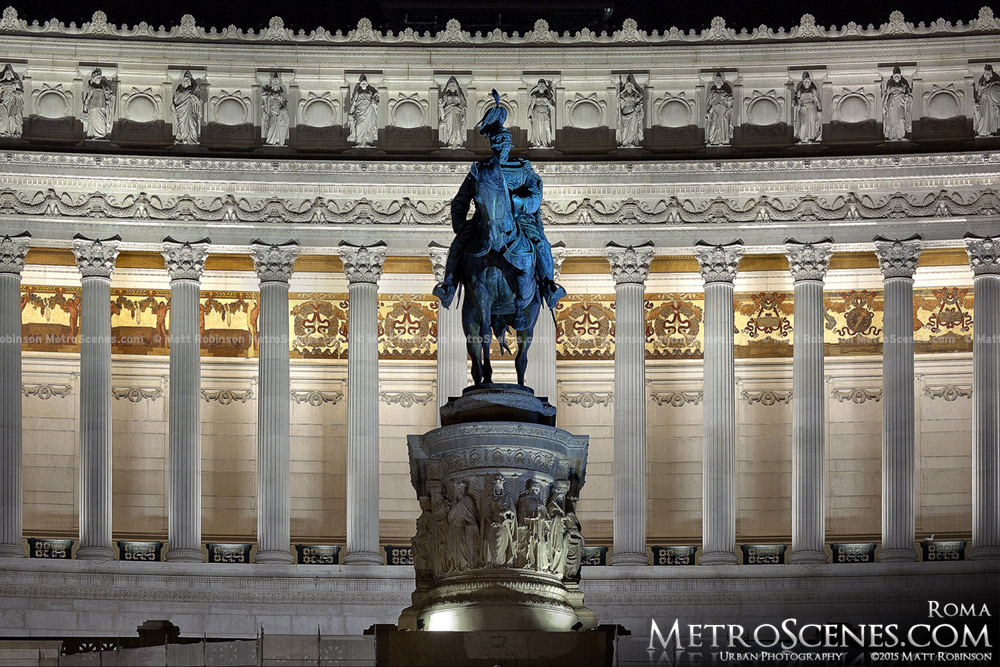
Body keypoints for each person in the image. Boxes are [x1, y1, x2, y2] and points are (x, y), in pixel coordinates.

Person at [432, 91, 565, 324]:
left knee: (541, 244)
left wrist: (518, 203)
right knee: (458, 245)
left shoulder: (522, 168)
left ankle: (548, 284)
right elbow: (460, 201)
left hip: (520, 220)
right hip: (483, 220)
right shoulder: (479, 170)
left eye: (502, 143)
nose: (499, 148)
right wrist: (461, 226)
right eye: (495, 144)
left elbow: (535, 195)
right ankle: (449, 285)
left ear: (508, 144)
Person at [347, 74, 379, 147]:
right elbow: (354, 103)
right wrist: (351, 113)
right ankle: (359, 142)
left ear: (367, 84)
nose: (363, 84)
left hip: (368, 110)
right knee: (358, 126)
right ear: (360, 84)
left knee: (368, 127)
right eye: (362, 83)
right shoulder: (358, 93)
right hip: (359, 111)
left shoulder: (371, 92)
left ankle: (367, 142)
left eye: (365, 83)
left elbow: (375, 100)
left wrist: (375, 98)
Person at [881, 66, 912, 141]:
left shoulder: (904, 85)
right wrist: (885, 105)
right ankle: (893, 136)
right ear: (893, 77)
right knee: (892, 120)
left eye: (898, 76)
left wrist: (906, 97)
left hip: (901, 102)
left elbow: (907, 94)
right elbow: (886, 96)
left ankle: (902, 135)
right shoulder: (890, 85)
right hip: (892, 103)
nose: (897, 78)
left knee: (901, 119)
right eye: (895, 76)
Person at [82, 68, 114, 139]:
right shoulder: (92, 87)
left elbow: (110, 95)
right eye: (97, 77)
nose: (99, 78)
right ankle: (94, 135)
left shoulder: (104, 87)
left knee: (102, 121)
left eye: (100, 77)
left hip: (102, 106)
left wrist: (110, 98)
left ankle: (101, 135)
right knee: (93, 121)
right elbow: (88, 98)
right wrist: (85, 107)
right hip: (93, 107)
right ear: (94, 79)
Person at [172, 70, 202, 145]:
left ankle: (193, 139)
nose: (186, 81)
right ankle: (183, 138)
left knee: (192, 123)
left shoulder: (192, 89)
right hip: (181, 111)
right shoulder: (179, 91)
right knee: (182, 125)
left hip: (190, 110)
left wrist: (194, 97)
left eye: (187, 80)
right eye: (185, 80)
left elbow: (199, 100)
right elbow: (176, 99)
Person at [438, 76, 466, 149]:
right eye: (451, 85)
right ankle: (450, 142)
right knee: (450, 128)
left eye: (454, 85)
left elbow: (463, 104)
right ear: (449, 87)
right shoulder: (446, 95)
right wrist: (441, 104)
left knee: (457, 128)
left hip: (457, 112)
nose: (453, 86)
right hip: (449, 111)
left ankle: (457, 142)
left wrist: (463, 113)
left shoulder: (459, 95)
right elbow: (442, 104)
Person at [793, 71, 822, 143]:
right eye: (805, 81)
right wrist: (797, 105)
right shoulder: (800, 91)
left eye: (808, 81)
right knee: (803, 123)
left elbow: (817, 100)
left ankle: (810, 137)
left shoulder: (813, 91)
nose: (806, 83)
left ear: (810, 82)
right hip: (803, 109)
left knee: (811, 123)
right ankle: (802, 137)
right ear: (803, 82)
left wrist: (819, 110)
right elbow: (796, 101)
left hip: (812, 109)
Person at [706, 72, 733, 146]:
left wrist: (729, 100)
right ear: (715, 82)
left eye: (719, 81)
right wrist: (709, 111)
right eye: (717, 81)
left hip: (722, 110)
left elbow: (728, 103)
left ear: (722, 82)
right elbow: (709, 103)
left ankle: (723, 140)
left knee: (723, 124)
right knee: (713, 125)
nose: (718, 82)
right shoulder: (713, 92)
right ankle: (713, 140)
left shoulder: (724, 92)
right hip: (714, 110)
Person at [261, 74, 288, 146]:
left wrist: (283, 109)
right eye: (274, 83)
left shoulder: (281, 93)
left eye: (276, 83)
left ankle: (277, 141)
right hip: (272, 112)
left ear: (278, 85)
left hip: (279, 112)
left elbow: (284, 102)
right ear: (272, 84)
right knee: (271, 126)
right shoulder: (269, 93)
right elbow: (266, 101)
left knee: (278, 127)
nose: (275, 84)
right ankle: (270, 140)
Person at [973, 64, 1000, 137]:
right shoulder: (981, 83)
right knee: (982, 117)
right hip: (983, 102)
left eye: (988, 73)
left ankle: (989, 131)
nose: (987, 75)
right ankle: (981, 131)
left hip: (991, 103)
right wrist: (981, 90)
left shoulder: (994, 82)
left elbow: (996, 91)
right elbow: (978, 95)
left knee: (991, 117)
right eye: (986, 73)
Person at [618, 74, 644, 147]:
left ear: (632, 86)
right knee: (625, 128)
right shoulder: (623, 94)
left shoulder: (635, 94)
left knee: (633, 127)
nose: (629, 86)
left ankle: (632, 141)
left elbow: (639, 101)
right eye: (628, 85)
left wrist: (639, 105)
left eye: (630, 85)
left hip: (633, 112)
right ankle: (625, 142)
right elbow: (620, 100)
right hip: (625, 112)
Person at [527, 79, 554, 148]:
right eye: (540, 84)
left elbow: (553, 108)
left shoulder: (548, 96)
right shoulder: (534, 96)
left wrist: (547, 102)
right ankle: (537, 144)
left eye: (543, 84)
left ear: (545, 86)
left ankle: (547, 142)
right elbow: (531, 106)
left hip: (545, 114)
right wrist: (529, 115)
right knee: (536, 129)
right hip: (536, 114)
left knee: (547, 128)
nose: (541, 86)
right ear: (538, 86)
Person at [0, 64, 23, 138]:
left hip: (12, 100)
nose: (8, 75)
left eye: (9, 73)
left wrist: (15, 93)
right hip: (4, 101)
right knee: (4, 117)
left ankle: (12, 132)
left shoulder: (15, 83)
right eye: (7, 73)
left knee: (11, 116)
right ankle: (4, 131)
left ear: (12, 75)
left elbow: (21, 92)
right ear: (5, 75)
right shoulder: (2, 84)